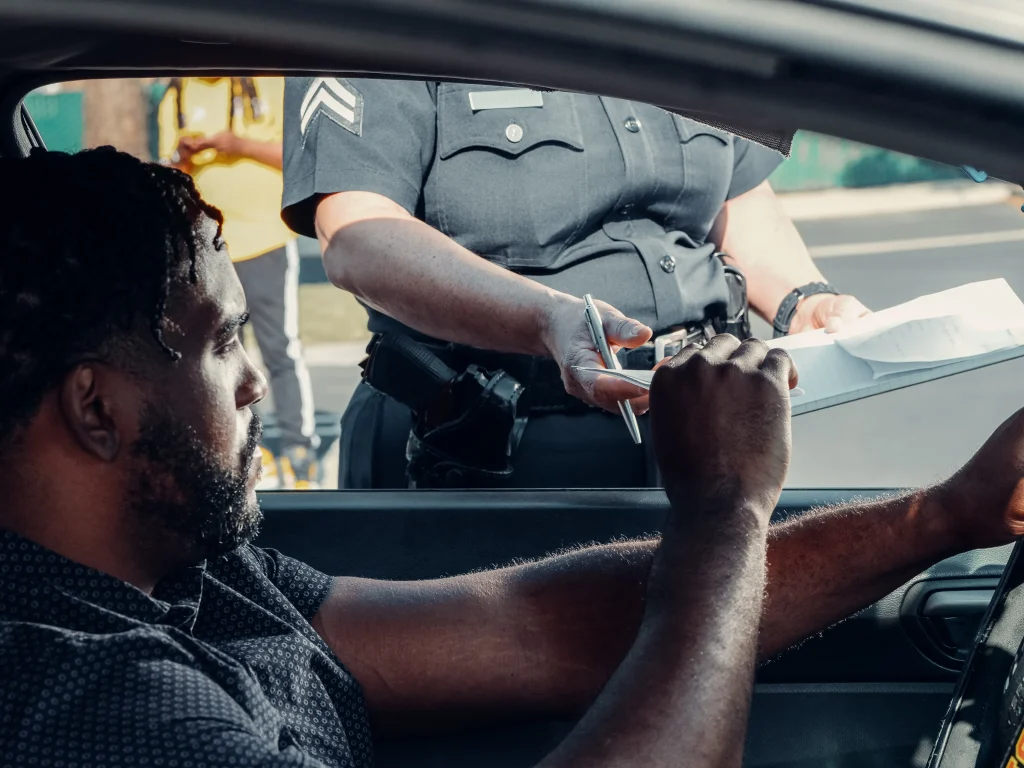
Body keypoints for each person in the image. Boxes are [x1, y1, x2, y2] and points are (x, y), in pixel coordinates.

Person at [3, 147, 1024, 768]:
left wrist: (939, 518)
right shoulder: (87, 700)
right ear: (97, 408)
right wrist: (722, 511)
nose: (260, 384)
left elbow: (535, 631)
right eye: (225, 344)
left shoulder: (189, 572)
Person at [280, 77, 871, 489]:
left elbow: (733, 187)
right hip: (484, 446)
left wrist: (803, 300)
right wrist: (547, 320)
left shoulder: (673, 19)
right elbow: (356, 235)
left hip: (707, 424)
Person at [158, 76, 320, 488]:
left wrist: (237, 144)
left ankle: (301, 453)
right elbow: (169, 171)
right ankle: (248, 449)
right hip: (213, 248)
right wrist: (184, 153)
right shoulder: (177, 94)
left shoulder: (265, 85)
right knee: (222, 354)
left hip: (265, 239)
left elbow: (299, 157)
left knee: (280, 348)